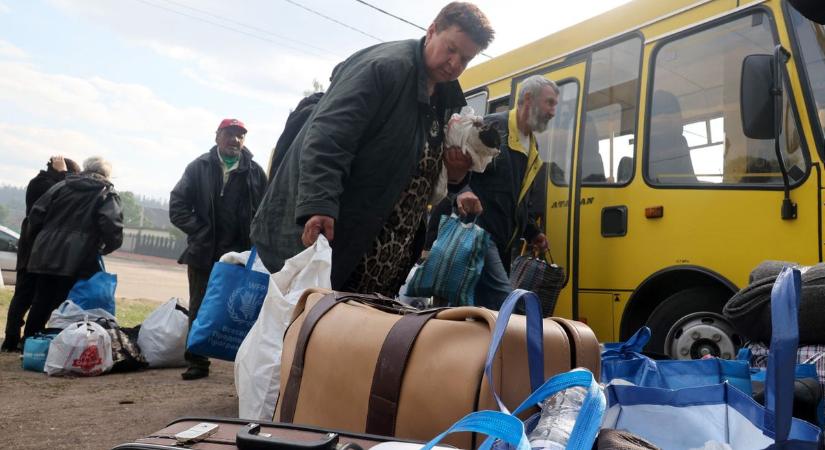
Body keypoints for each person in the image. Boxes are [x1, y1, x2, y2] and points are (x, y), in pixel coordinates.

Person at [251, 2, 494, 297]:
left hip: (385, 258)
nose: (455, 64)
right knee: (303, 335)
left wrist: (455, 178)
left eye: (465, 59)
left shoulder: (443, 97)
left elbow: (413, 165)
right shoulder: (384, 68)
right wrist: (318, 205)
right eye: (451, 49)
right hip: (340, 243)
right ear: (432, 31)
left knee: (353, 340)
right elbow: (329, 137)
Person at [169, 118, 267, 380]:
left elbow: (267, 209)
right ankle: (197, 362)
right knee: (200, 305)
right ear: (217, 137)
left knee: (244, 309)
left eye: (240, 135)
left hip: (240, 254)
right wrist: (199, 230)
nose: (235, 140)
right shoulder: (198, 167)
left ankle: (244, 363)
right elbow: (177, 205)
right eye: (230, 134)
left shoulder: (255, 172)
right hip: (204, 250)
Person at [453, 75, 559, 309]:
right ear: (528, 99)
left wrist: (532, 232)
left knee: (481, 312)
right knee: (508, 306)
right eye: (550, 103)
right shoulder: (494, 127)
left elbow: (517, 197)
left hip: (503, 242)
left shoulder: (532, 145)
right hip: (478, 234)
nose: (553, 112)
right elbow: (454, 167)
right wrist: (463, 191)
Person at [23, 156, 123, 339]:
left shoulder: (61, 186)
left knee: (42, 299)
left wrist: (39, 241)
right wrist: (103, 249)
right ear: (107, 175)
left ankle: (29, 343)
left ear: (85, 168)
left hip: (46, 252)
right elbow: (112, 227)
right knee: (71, 303)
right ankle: (63, 343)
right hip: (80, 257)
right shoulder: (106, 193)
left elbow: (36, 215)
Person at [1, 156, 80, 352]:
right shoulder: (43, 184)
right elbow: (65, 196)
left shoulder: (43, 182)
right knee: (26, 295)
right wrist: (64, 174)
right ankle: (13, 338)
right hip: (36, 248)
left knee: (27, 295)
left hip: (35, 246)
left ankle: (15, 339)